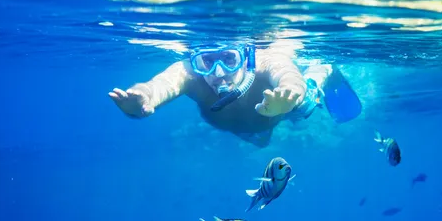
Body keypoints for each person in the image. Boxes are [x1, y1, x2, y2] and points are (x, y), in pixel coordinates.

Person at [109, 38, 361, 147]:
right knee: (262, 142)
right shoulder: (189, 73)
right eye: (207, 61)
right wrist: (142, 99)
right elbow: (160, 85)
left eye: (229, 59)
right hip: (250, 131)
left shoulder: (266, 60)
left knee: (304, 106)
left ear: (246, 58)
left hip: (284, 109)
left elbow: (289, 76)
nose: (218, 72)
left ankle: (321, 72)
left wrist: (290, 95)